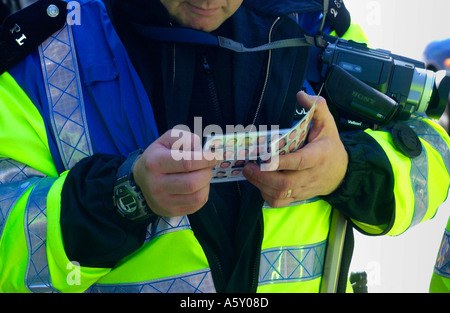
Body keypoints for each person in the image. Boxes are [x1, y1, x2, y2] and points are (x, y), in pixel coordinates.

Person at [0, 0, 449, 293]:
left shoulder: (311, 22)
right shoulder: (42, 59)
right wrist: (124, 197)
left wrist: (347, 170)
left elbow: (433, 156)